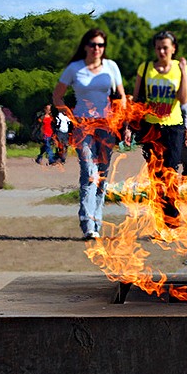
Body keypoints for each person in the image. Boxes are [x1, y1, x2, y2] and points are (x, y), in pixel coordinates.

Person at [52, 28, 125, 240]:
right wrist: (71, 116)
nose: (96, 49)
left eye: (100, 45)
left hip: (106, 126)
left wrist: (121, 119)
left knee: (102, 175)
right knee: (88, 172)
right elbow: (57, 97)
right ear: (85, 46)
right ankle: (87, 222)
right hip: (83, 126)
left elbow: (121, 96)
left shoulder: (111, 67)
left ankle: (97, 220)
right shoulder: (75, 69)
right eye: (93, 44)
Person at [132, 30, 187, 227]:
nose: (162, 51)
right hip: (151, 127)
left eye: (165, 47)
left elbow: (183, 99)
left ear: (173, 49)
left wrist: (184, 72)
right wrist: (130, 124)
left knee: (170, 172)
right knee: (155, 176)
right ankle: (160, 221)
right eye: (158, 48)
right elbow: (137, 97)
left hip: (173, 127)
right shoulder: (146, 67)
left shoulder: (179, 68)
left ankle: (171, 213)